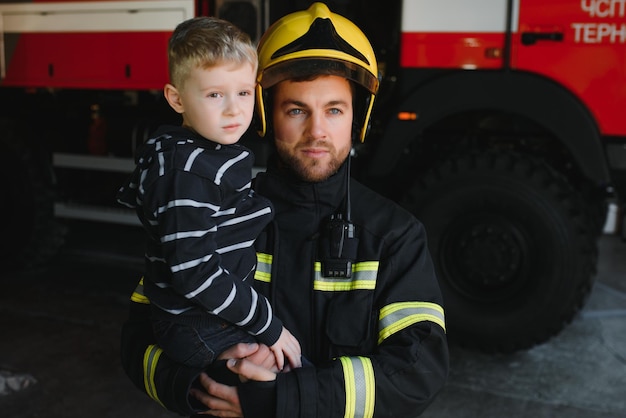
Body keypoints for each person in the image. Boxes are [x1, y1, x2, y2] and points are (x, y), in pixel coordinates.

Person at [120, 3, 449, 417]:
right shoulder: (216, 209)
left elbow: (419, 374)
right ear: (264, 114)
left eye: (334, 110)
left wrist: (280, 401)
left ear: (357, 118)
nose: (317, 131)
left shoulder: (395, 236)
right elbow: (139, 337)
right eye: (296, 110)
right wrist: (205, 388)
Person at [116, 16, 301, 373]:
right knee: (285, 379)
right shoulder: (186, 176)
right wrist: (269, 327)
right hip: (195, 323)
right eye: (215, 94)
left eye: (244, 92)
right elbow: (195, 273)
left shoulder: (207, 153)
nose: (234, 109)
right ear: (177, 98)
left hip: (215, 312)